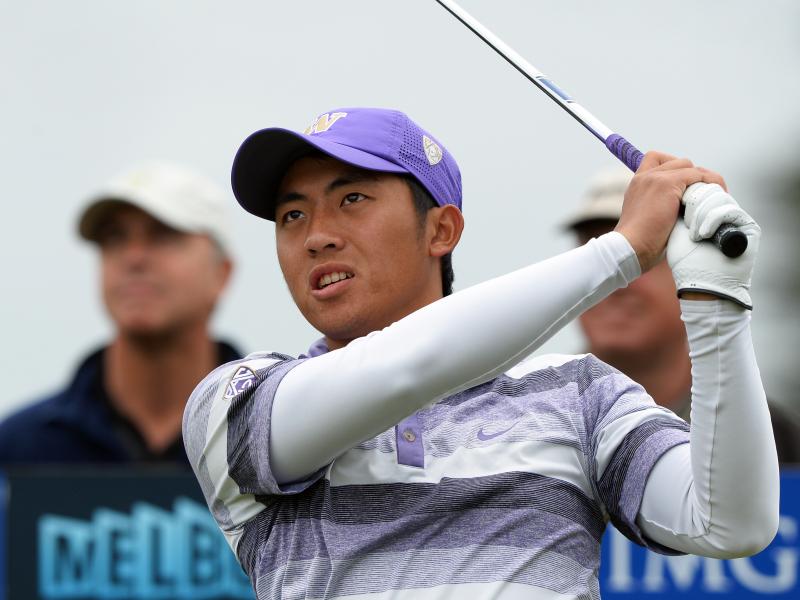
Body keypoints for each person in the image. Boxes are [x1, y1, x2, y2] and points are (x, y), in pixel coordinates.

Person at [183, 108, 779, 599]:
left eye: (353, 198)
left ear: (441, 231)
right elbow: (406, 367)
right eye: (292, 214)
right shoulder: (235, 399)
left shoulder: (579, 392)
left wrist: (717, 301)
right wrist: (620, 251)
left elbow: (730, 522)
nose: (316, 236)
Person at [0, 162, 241, 465]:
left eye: (164, 235)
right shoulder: (20, 446)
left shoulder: (274, 435)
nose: (134, 257)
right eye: (115, 238)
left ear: (222, 273)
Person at [565, 166, 800, 463]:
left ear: (694, 267)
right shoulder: (525, 422)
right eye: (597, 254)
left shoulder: (774, 440)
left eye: (642, 256)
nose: (617, 282)